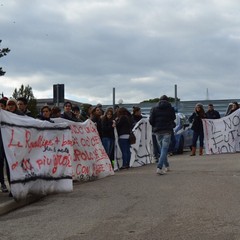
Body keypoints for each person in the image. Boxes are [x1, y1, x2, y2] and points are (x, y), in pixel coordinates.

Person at [149, 95, 176, 175]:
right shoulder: (170, 109)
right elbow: (173, 118)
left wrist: (155, 126)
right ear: (167, 101)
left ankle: (167, 166)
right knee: (164, 149)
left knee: (162, 149)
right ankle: (159, 167)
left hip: (157, 131)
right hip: (167, 130)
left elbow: (151, 120)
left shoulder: (154, 108)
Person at [0, 97, 8, 193]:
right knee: (0, 164)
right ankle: (2, 183)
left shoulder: (9, 117)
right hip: (1, 144)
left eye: (2, 106)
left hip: (8, 144)